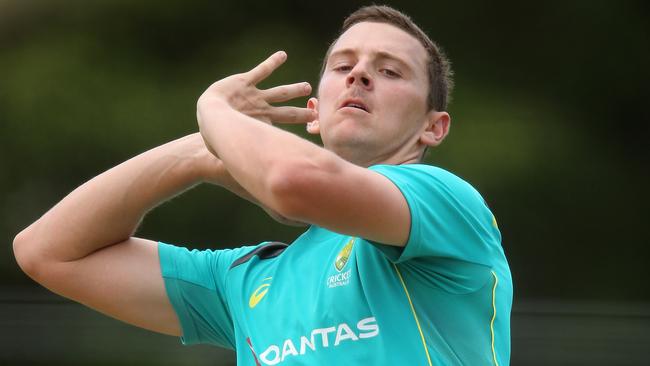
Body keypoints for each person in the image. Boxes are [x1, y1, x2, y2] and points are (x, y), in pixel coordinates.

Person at [13, 5, 512, 365]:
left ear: (433, 127)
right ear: (313, 115)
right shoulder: (246, 280)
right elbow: (47, 252)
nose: (359, 75)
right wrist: (198, 152)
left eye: (390, 71)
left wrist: (212, 108)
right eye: (343, 66)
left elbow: (291, 180)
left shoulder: (446, 204)